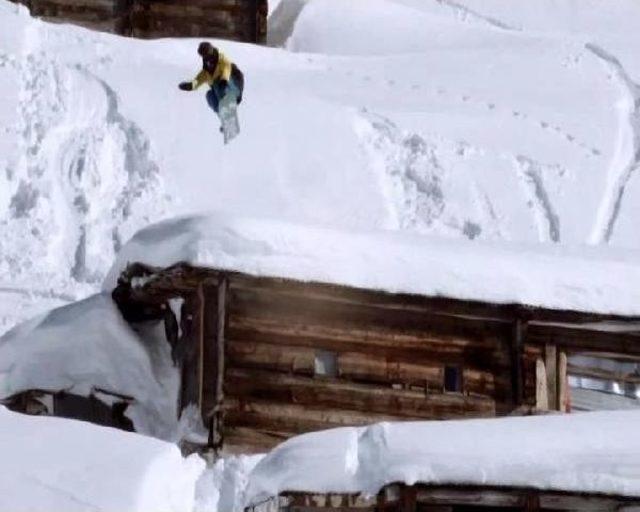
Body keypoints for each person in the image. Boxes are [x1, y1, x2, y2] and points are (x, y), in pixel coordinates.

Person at [178, 42, 244, 114]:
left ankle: (228, 105)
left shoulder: (222, 60)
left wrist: (224, 79)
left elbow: (226, 69)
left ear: (212, 52)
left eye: (207, 55)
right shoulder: (206, 72)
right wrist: (190, 86)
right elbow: (198, 80)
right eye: (203, 55)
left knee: (218, 84)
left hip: (235, 85)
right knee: (209, 95)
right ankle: (225, 118)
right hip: (223, 93)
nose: (207, 59)